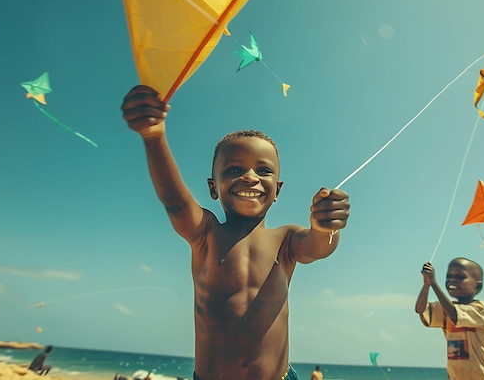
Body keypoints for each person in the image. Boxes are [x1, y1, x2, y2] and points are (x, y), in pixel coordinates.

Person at [121, 85, 350, 380]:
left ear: (277, 190)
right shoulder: (206, 234)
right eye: (233, 170)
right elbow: (176, 203)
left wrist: (326, 225)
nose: (250, 177)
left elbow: (318, 246)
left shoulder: (286, 240)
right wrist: (154, 137)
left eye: (264, 171)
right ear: (212, 187)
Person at [415, 258, 484, 380]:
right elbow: (420, 309)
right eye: (449, 276)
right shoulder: (446, 308)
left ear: (477, 286)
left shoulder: (480, 309)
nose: (452, 280)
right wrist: (427, 284)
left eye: (460, 277)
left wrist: (434, 284)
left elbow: (454, 315)